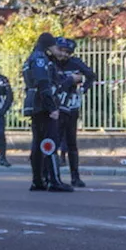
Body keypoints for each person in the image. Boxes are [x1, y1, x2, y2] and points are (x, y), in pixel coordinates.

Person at [22, 33, 80, 192]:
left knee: (39, 142)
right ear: (48, 46)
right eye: (55, 46)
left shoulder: (34, 57)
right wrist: (52, 107)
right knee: (50, 141)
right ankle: (54, 180)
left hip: (36, 104)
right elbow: (43, 83)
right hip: (42, 105)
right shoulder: (40, 59)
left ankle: (38, 180)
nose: (58, 50)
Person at [51, 37, 97, 188]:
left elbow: (91, 75)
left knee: (71, 142)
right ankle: (54, 175)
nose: (64, 55)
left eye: (67, 52)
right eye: (61, 51)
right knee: (54, 141)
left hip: (71, 107)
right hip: (56, 108)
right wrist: (69, 80)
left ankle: (75, 176)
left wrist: (84, 88)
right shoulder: (51, 64)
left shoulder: (76, 63)